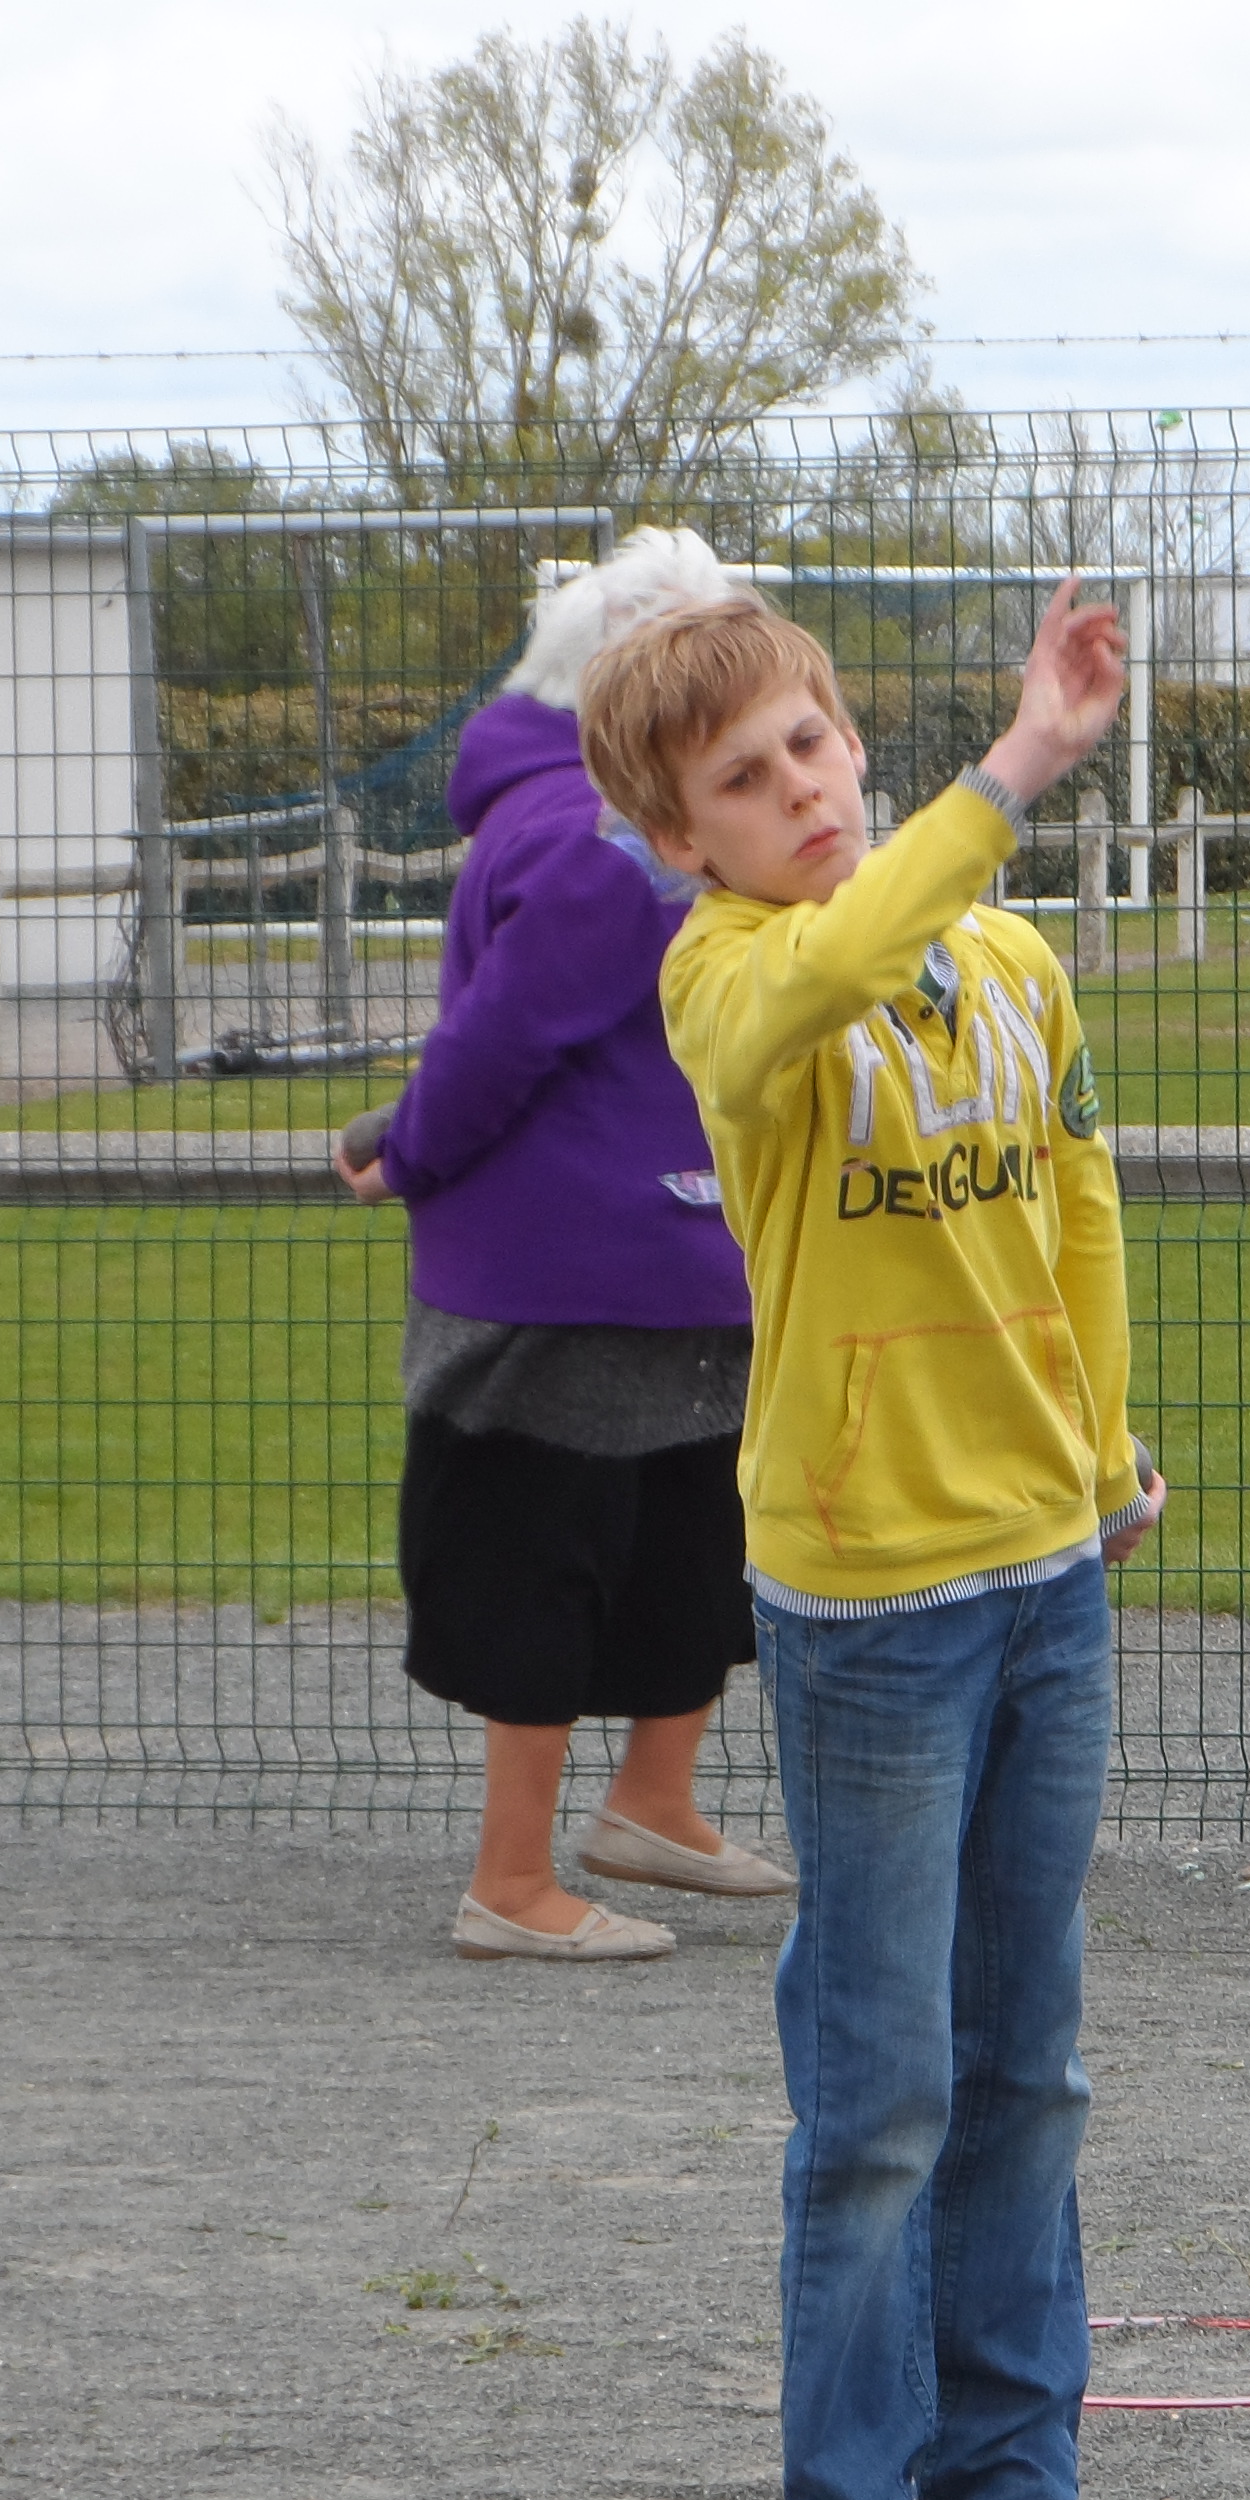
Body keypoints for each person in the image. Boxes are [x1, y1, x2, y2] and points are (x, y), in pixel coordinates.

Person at [584, 571, 1161, 2500]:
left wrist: (1105, 1456)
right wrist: (1018, 768)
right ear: (685, 840)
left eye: (816, 743)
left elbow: (1080, 1206)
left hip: (1045, 1582)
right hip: (866, 1603)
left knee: (1032, 2071)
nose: (804, 790)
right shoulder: (726, 983)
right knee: (880, 2090)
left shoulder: (1009, 955)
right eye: (746, 780)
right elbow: (832, 965)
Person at [339, 531, 793, 1965]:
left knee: (689, 1544)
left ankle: (652, 1807)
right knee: (547, 1559)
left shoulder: (578, 821)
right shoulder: (600, 838)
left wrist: (401, 1132)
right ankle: (511, 1881)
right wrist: (408, 1145)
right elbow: (506, 1036)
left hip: (649, 1259)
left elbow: (495, 1036)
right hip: (570, 1279)